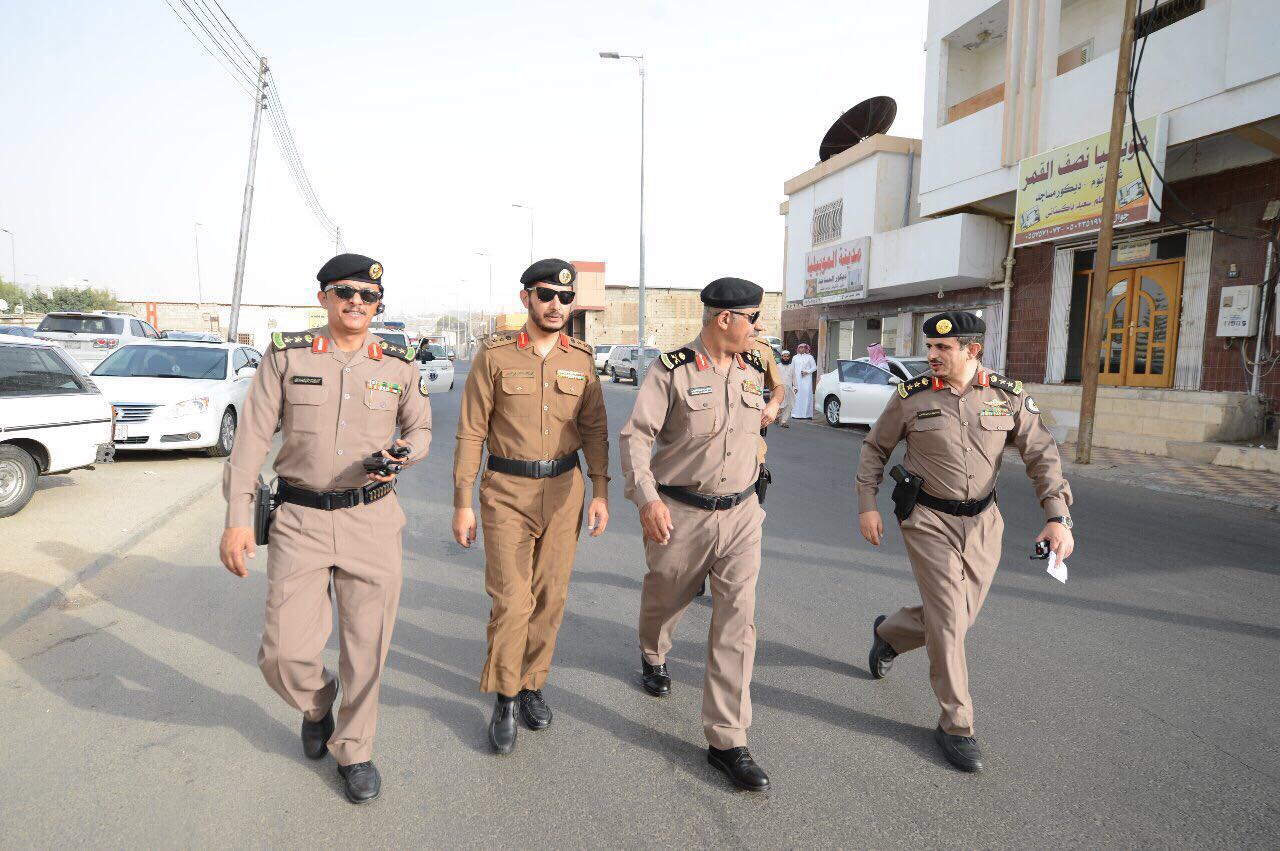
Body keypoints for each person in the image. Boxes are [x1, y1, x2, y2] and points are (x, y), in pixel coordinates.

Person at [219, 253, 431, 804]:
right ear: (324, 298)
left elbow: (421, 427)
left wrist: (404, 452)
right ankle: (317, 705)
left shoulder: (400, 362)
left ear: (378, 305)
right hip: (300, 520)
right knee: (283, 654)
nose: (357, 302)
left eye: (368, 296)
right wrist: (238, 517)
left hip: (373, 519)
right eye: (345, 292)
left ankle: (355, 749)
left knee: (367, 649)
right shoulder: (287, 355)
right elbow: (250, 442)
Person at [855, 310, 1074, 773]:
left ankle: (889, 633)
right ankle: (956, 724)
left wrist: (1058, 517)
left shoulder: (1007, 396)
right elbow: (876, 446)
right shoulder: (911, 397)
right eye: (929, 347)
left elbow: (1042, 455)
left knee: (958, 617)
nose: (930, 356)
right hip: (927, 518)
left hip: (984, 524)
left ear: (972, 351)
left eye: (942, 349)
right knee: (950, 620)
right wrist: (867, 503)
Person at [619, 277, 772, 792]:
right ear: (723, 318)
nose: (758, 327)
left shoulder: (754, 369)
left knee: (737, 622)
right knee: (667, 596)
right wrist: (647, 499)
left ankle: (728, 740)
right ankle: (653, 651)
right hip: (679, 513)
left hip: (743, 515)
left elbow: (774, 400)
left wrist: (771, 409)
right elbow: (636, 438)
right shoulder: (672, 372)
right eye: (752, 317)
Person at [452, 259, 610, 755]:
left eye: (566, 298)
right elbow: (472, 430)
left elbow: (595, 430)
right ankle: (504, 695)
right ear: (526, 299)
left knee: (551, 598)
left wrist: (601, 490)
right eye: (546, 295)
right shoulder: (494, 356)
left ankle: (531, 684)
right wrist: (463, 502)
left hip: (564, 493)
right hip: (506, 494)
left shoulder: (582, 359)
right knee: (513, 599)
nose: (557, 305)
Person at [790, 342, 817, 420]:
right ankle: (795, 414)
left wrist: (807, 372)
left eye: (804, 347)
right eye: (800, 347)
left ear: (806, 349)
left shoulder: (810, 357)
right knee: (796, 396)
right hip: (797, 380)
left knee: (806, 396)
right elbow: (792, 368)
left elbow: (814, 367)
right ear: (798, 349)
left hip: (807, 381)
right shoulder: (795, 357)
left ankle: (807, 415)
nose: (802, 349)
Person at [776, 350, 796, 427]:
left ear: (789, 357)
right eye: (784, 356)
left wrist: (796, 386)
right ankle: (777, 416)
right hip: (780, 388)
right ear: (782, 357)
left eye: (787, 356)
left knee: (789, 404)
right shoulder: (778, 366)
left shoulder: (792, 366)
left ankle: (784, 421)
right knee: (780, 404)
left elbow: (794, 377)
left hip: (789, 388)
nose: (786, 358)